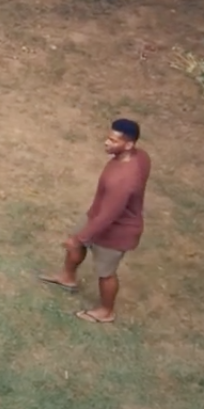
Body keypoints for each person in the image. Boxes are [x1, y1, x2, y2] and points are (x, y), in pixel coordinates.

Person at [38, 118, 152, 324]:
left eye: (113, 141)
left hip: (116, 231)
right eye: (108, 138)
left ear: (128, 145)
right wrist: (80, 236)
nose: (106, 143)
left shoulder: (124, 180)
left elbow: (109, 216)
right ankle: (67, 277)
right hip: (97, 215)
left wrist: (80, 238)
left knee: (105, 272)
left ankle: (106, 311)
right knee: (76, 242)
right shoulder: (141, 156)